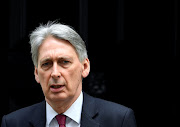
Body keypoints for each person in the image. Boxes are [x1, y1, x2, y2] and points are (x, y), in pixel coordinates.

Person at [1, 21, 137, 127]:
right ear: (37, 73)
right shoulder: (14, 123)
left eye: (64, 62)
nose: (55, 73)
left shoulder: (118, 120)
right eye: (46, 64)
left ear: (84, 67)